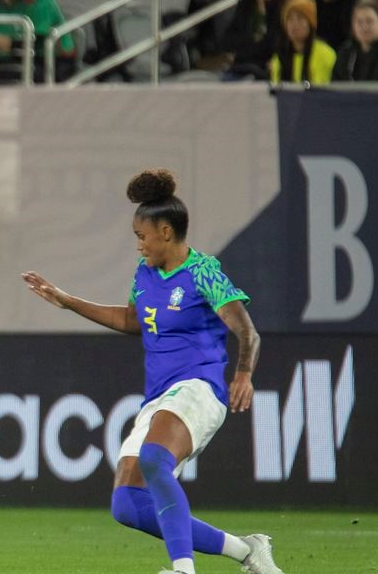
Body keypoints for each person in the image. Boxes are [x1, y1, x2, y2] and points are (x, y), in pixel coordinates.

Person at [21, 169, 282, 574]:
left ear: (164, 231)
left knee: (154, 461)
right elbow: (131, 320)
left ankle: (183, 569)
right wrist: (68, 301)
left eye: (141, 236)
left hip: (198, 388)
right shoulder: (145, 275)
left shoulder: (203, 272)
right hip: (160, 396)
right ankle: (247, 551)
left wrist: (243, 373)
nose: (138, 245)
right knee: (127, 504)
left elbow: (247, 331)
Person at [220, 0, 291, 80]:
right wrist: (253, 41)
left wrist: (245, 48)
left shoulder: (286, 9)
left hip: (271, 69)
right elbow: (226, 41)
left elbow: (274, 44)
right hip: (243, 67)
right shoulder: (245, 7)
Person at [269, 0, 336, 85]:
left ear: (311, 24)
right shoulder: (279, 56)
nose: (294, 24)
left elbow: (320, 91)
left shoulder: (325, 53)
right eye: (290, 19)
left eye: (300, 18)